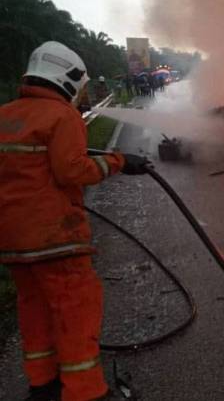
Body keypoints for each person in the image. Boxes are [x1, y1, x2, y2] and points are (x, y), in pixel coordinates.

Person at [0, 41, 148, 401]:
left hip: (13, 240)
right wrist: (118, 162)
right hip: (56, 238)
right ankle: (85, 392)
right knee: (75, 309)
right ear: (66, 78)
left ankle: (43, 384)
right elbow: (71, 170)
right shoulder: (61, 116)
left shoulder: (5, 114)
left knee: (34, 309)